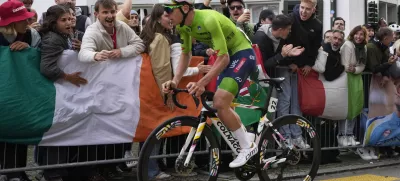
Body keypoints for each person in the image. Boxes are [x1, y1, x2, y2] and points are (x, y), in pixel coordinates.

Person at [161, 0, 258, 168]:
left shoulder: (208, 20)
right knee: (219, 105)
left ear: (185, 8)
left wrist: (202, 82)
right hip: (227, 57)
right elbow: (185, 54)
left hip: (241, 52)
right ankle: (246, 137)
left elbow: (224, 58)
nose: (167, 14)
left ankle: (247, 146)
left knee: (220, 101)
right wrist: (175, 80)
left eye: (169, 9)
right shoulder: (183, 27)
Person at [0, 1, 40, 180]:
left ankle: (17, 171)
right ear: (11, 23)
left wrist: (29, 51)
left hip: (21, 94)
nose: (27, 22)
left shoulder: (31, 35)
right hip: (4, 94)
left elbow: (42, 55)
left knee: (19, 131)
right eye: (22, 19)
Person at [338, 26, 367, 147]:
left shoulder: (364, 47)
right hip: (345, 77)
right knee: (346, 107)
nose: (358, 37)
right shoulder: (348, 45)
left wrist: (355, 69)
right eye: (356, 34)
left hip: (356, 77)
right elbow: (345, 65)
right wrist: (353, 68)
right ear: (352, 34)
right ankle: (342, 135)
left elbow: (362, 66)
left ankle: (349, 134)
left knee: (355, 106)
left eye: (361, 34)